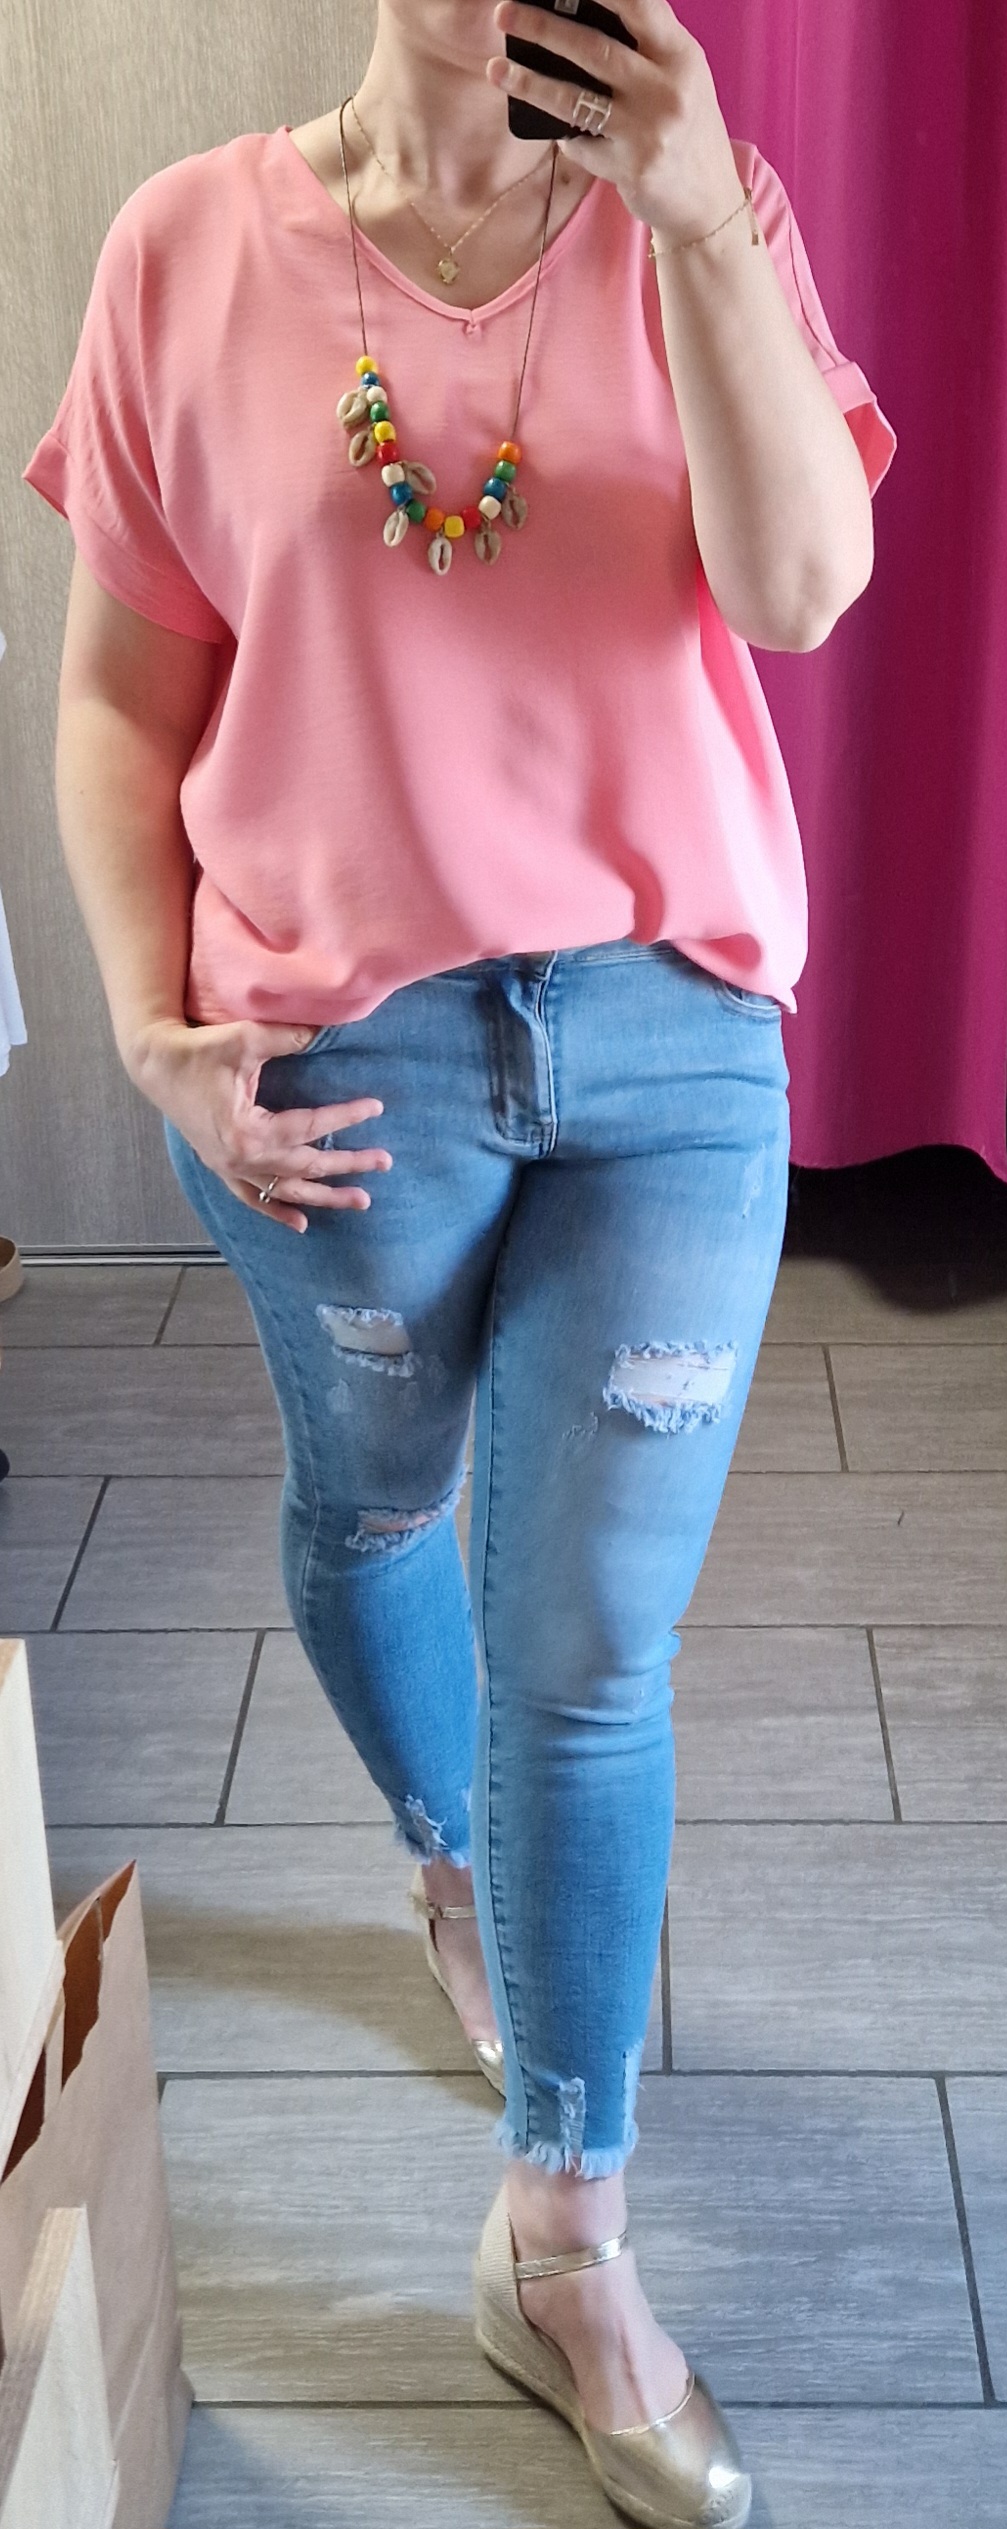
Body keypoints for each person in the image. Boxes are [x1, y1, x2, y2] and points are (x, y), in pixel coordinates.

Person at [22, 1, 896, 2518]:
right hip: (332, 1068)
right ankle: (445, 1848)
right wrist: (148, 1022)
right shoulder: (188, 248)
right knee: (378, 1501)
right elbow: (123, 699)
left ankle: (560, 2237)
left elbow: (803, 590)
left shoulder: (705, 220)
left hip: (669, 1034)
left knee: (588, 1641)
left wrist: (702, 217)